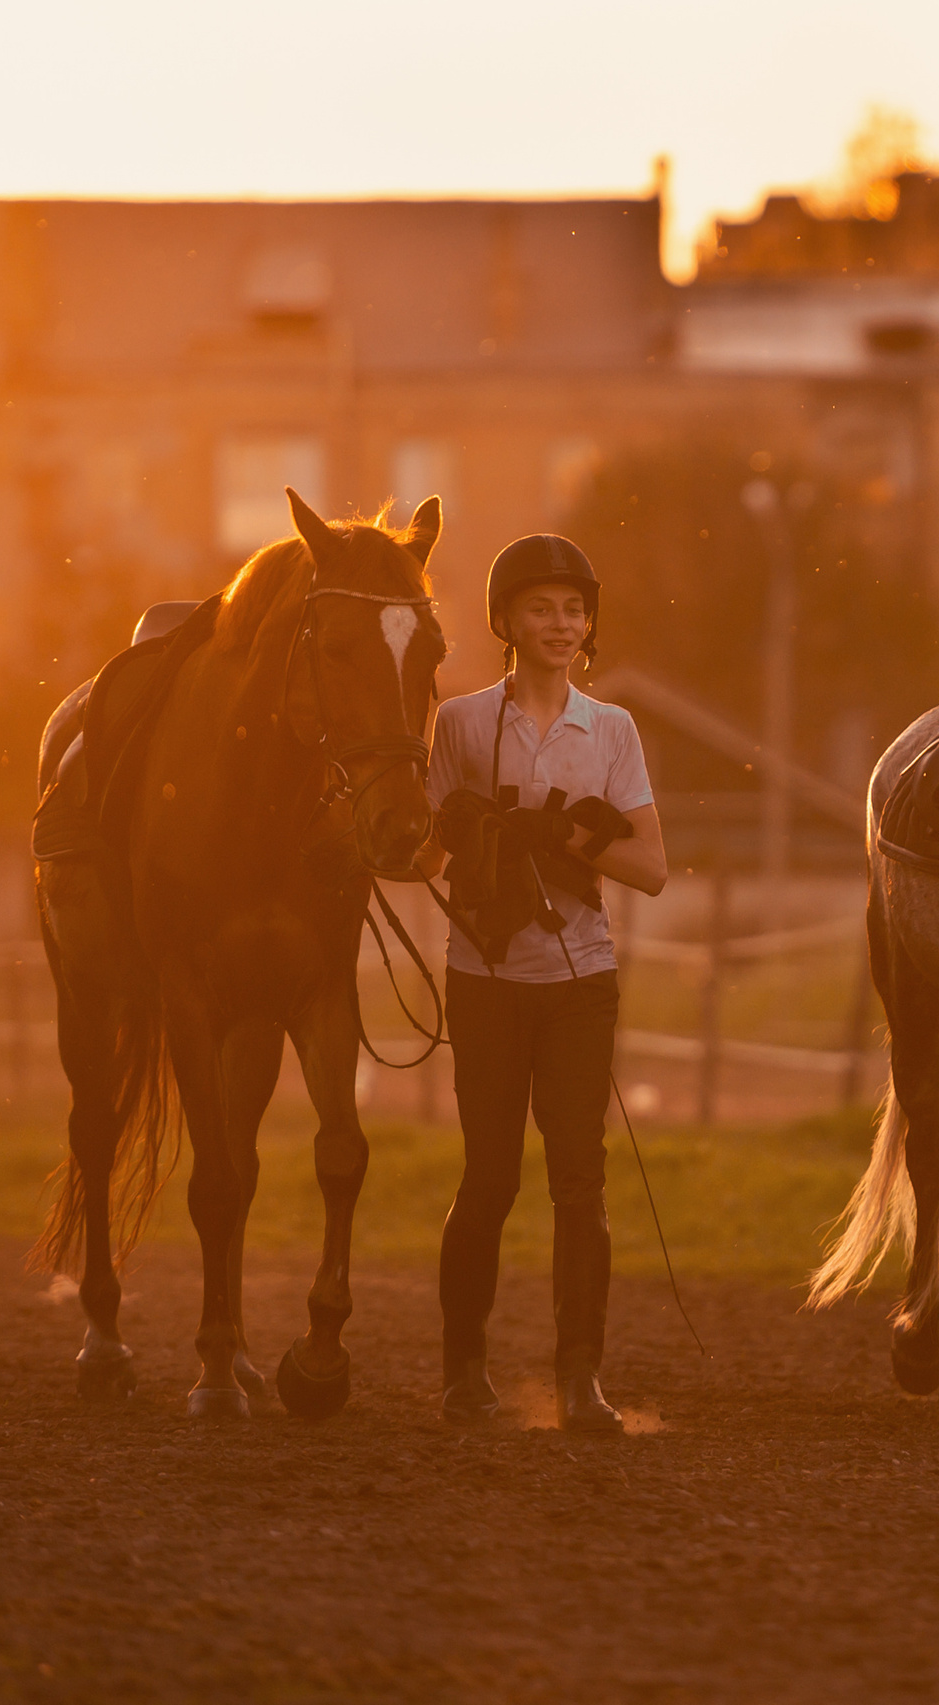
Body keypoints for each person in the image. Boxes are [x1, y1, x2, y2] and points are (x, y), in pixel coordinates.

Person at [416, 533, 668, 1433]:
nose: (562, 624)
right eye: (541, 608)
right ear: (506, 622)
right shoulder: (457, 724)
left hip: (579, 980)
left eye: (574, 608)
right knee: (488, 1177)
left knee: (578, 1182)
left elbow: (652, 868)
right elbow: (424, 858)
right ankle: (463, 1371)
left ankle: (579, 1379)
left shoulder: (612, 730)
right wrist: (449, 824)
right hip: (483, 978)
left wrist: (566, 838)